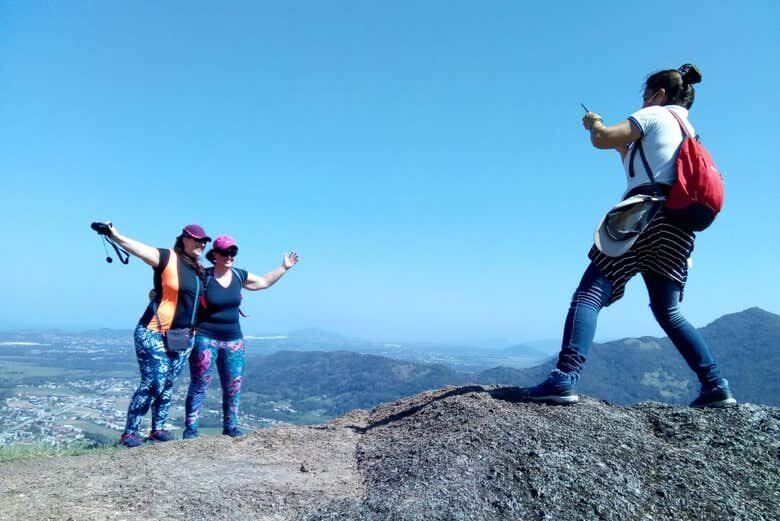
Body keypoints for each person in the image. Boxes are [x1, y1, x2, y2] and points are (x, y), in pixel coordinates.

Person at [526, 64, 736, 408]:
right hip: (678, 226)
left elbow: (604, 139)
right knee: (669, 311)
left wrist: (594, 125)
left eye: (645, 95)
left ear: (659, 94)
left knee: (588, 296)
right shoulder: (689, 131)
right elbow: (630, 154)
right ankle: (715, 384)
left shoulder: (653, 113)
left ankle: (565, 378)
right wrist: (611, 141)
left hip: (644, 214)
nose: (642, 101)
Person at [102, 223, 211, 447]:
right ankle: (130, 433)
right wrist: (115, 235)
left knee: (168, 383)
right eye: (195, 239)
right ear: (183, 239)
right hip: (154, 332)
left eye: (203, 241)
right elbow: (140, 249)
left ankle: (157, 429)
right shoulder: (167, 257)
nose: (200, 244)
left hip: (182, 336)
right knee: (154, 382)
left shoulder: (199, 270)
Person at [183, 235, 299, 438]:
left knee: (233, 385)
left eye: (233, 253)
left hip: (233, 339)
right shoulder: (203, 276)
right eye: (225, 253)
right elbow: (183, 292)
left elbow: (263, 282)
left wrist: (284, 267)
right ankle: (191, 430)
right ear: (215, 255)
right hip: (205, 337)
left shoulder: (239, 276)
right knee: (200, 384)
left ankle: (230, 428)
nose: (230, 256)